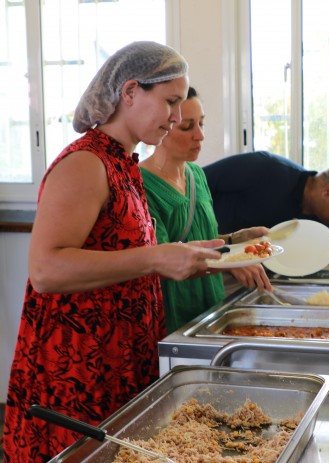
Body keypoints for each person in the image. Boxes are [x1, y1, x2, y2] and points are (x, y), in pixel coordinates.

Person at [2, 42, 225, 463]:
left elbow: (120, 255)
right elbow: (46, 270)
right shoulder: (85, 163)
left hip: (116, 361)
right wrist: (156, 257)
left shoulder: (122, 161)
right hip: (76, 369)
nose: (177, 118)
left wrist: (189, 254)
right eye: (171, 102)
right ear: (129, 93)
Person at [140, 86, 272, 333]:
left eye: (202, 124)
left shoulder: (196, 176)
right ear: (161, 129)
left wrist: (234, 240)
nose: (199, 135)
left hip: (210, 311)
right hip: (172, 318)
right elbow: (162, 260)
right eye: (187, 127)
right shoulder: (142, 185)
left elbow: (193, 240)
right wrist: (230, 260)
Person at [203, 151, 329, 234]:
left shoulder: (320, 230)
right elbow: (197, 181)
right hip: (208, 256)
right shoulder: (267, 169)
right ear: (328, 192)